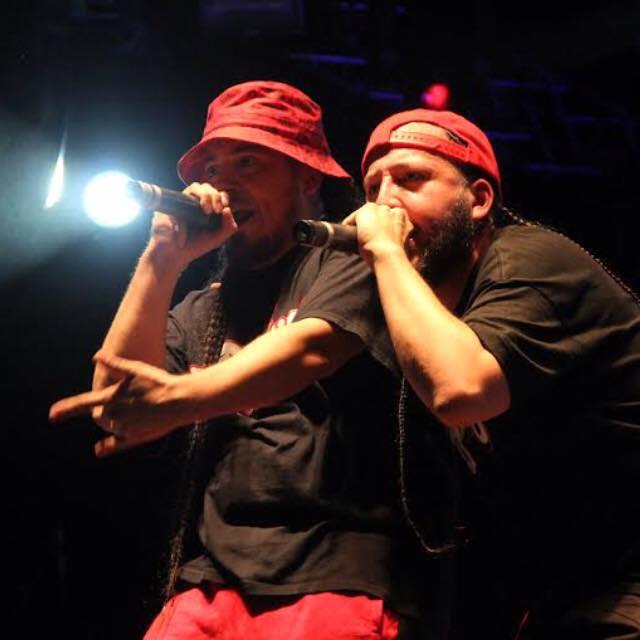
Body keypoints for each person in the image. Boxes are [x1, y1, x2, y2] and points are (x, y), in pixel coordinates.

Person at [48, 82, 437, 639]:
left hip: (334, 579)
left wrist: (175, 400)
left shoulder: (361, 258)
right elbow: (117, 404)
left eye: (247, 162)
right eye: (212, 166)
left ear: (307, 177)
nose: (222, 182)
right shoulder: (204, 307)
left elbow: (308, 349)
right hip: (207, 585)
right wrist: (163, 256)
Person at [345, 108, 640, 638]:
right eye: (372, 188)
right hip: (569, 588)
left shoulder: (529, 261)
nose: (384, 203)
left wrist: (386, 252)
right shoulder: (434, 312)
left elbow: (460, 390)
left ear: (479, 200)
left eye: (411, 179)